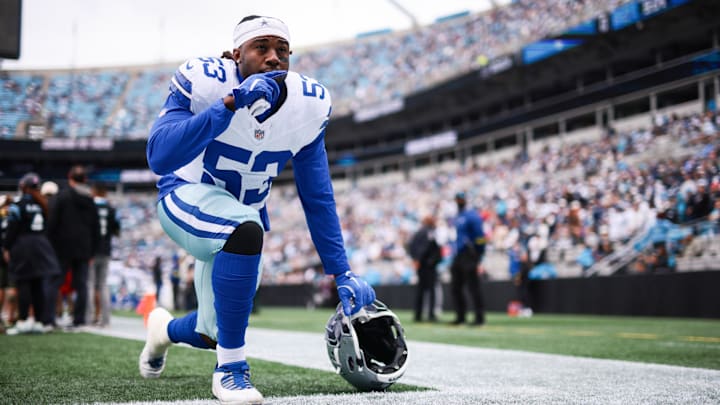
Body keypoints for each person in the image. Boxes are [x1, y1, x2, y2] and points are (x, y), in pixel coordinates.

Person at [139, 15, 376, 405]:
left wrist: (342, 271)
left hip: (238, 220)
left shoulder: (308, 106)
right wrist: (230, 105)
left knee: (211, 330)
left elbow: (317, 195)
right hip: (186, 195)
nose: (273, 58)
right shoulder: (206, 80)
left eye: (282, 50)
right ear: (237, 55)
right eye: (261, 48)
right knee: (247, 228)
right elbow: (160, 155)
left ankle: (160, 331)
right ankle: (231, 371)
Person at [3, 173, 61, 335]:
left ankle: (22, 321)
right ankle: (39, 321)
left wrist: (6, 247)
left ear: (24, 187)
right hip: (41, 246)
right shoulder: (43, 204)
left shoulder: (18, 205)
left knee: (24, 285)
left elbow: (12, 230)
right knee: (38, 286)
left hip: (23, 246)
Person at [46, 165, 100, 328]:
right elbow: (96, 227)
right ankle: (79, 319)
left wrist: (50, 244)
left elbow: (52, 222)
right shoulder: (90, 198)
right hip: (84, 248)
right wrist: (92, 252)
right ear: (85, 179)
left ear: (70, 178)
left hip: (62, 247)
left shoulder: (62, 196)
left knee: (55, 282)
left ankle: (49, 318)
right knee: (81, 284)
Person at [86, 182, 120, 327]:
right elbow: (117, 231)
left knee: (89, 285)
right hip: (105, 250)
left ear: (94, 191)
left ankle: (88, 318)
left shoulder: (89, 206)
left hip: (91, 251)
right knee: (103, 285)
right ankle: (106, 319)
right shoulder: (111, 208)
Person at [450, 192, 486, 326]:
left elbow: (480, 237)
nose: (458, 201)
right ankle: (460, 316)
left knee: (473, 287)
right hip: (458, 255)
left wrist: (479, 255)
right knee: (456, 287)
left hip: (470, 255)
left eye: (460, 199)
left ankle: (479, 318)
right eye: (457, 199)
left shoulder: (472, 216)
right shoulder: (458, 216)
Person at [407, 215, 442, 322]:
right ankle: (431, 314)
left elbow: (411, 246)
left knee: (421, 290)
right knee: (431, 290)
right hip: (428, 266)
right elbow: (430, 248)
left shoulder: (418, 233)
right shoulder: (430, 232)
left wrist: (416, 260)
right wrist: (426, 260)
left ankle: (418, 315)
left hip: (421, 265)